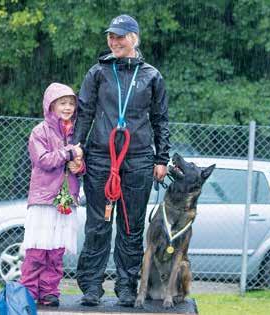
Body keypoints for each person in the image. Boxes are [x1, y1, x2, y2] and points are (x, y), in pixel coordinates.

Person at [73, 15, 170, 307]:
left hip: (138, 158)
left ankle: (126, 287)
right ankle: (91, 285)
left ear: (134, 38)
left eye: (120, 36)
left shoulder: (152, 76)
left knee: (131, 226)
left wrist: (162, 157)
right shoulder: (98, 73)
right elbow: (85, 111)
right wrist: (76, 147)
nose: (114, 41)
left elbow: (160, 119)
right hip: (102, 158)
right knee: (97, 225)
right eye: (110, 37)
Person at [20, 82, 84, 307]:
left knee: (56, 251)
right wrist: (69, 152)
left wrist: (80, 166)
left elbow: (79, 161)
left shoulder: (77, 131)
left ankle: (49, 292)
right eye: (62, 103)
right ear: (51, 105)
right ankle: (28, 292)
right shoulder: (40, 131)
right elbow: (44, 160)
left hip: (66, 199)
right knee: (38, 249)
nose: (67, 107)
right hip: (44, 199)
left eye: (71, 103)